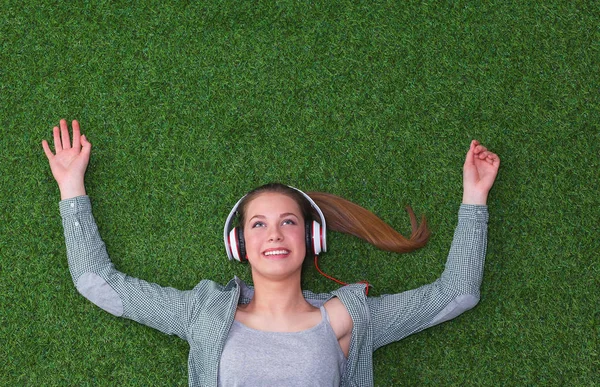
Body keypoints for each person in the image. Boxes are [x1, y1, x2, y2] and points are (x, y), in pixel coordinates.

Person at [43, 119, 500, 386]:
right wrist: (71, 187)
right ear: (240, 244)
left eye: (289, 222)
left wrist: (473, 197)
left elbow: (457, 294)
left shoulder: (347, 320)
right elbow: (97, 283)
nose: (275, 234)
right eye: (258, 224)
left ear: (311, 239)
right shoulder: (203, 314)